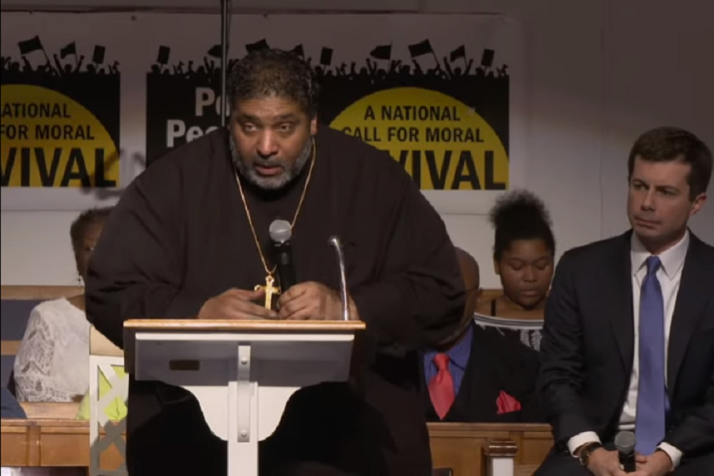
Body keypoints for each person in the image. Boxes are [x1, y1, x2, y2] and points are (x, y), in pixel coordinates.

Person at [85, 48, 465, 476]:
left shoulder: (373, 179)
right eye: (249, 126)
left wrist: (350, 309)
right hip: (199, 443)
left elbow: (442, 290)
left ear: (313, 121)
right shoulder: (172, 182)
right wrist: (195, 314)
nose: (266, 146)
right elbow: (108, 290)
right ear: (230, 120)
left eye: (285, 127)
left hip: (345, 442)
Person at [535, 127, 714, 476]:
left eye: (665, 192)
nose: (646, 203)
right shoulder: (580, 270)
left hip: (695, 450)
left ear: (697, 203)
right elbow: (557, 377)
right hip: (601, 444)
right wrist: (591, 451)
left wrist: (667, 455)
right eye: (639, 186)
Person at [422, 248, 542, 423]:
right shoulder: (382, 364)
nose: (443, 307)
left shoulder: (524, 364)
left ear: (477, 299)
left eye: (455, 296)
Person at [13, 207, 112, 402]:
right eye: (90, 249)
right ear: (77, 259)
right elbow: (29, 389)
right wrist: (88, 407)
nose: (99, 258)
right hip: (65, 429)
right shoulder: (49, 318)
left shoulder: (151, 320)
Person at [475, 189, 555, 350]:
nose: (530, 277)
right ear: (497, 264)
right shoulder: (475, 321)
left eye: (541, 265)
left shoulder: (571, 321)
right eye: (517, 266)